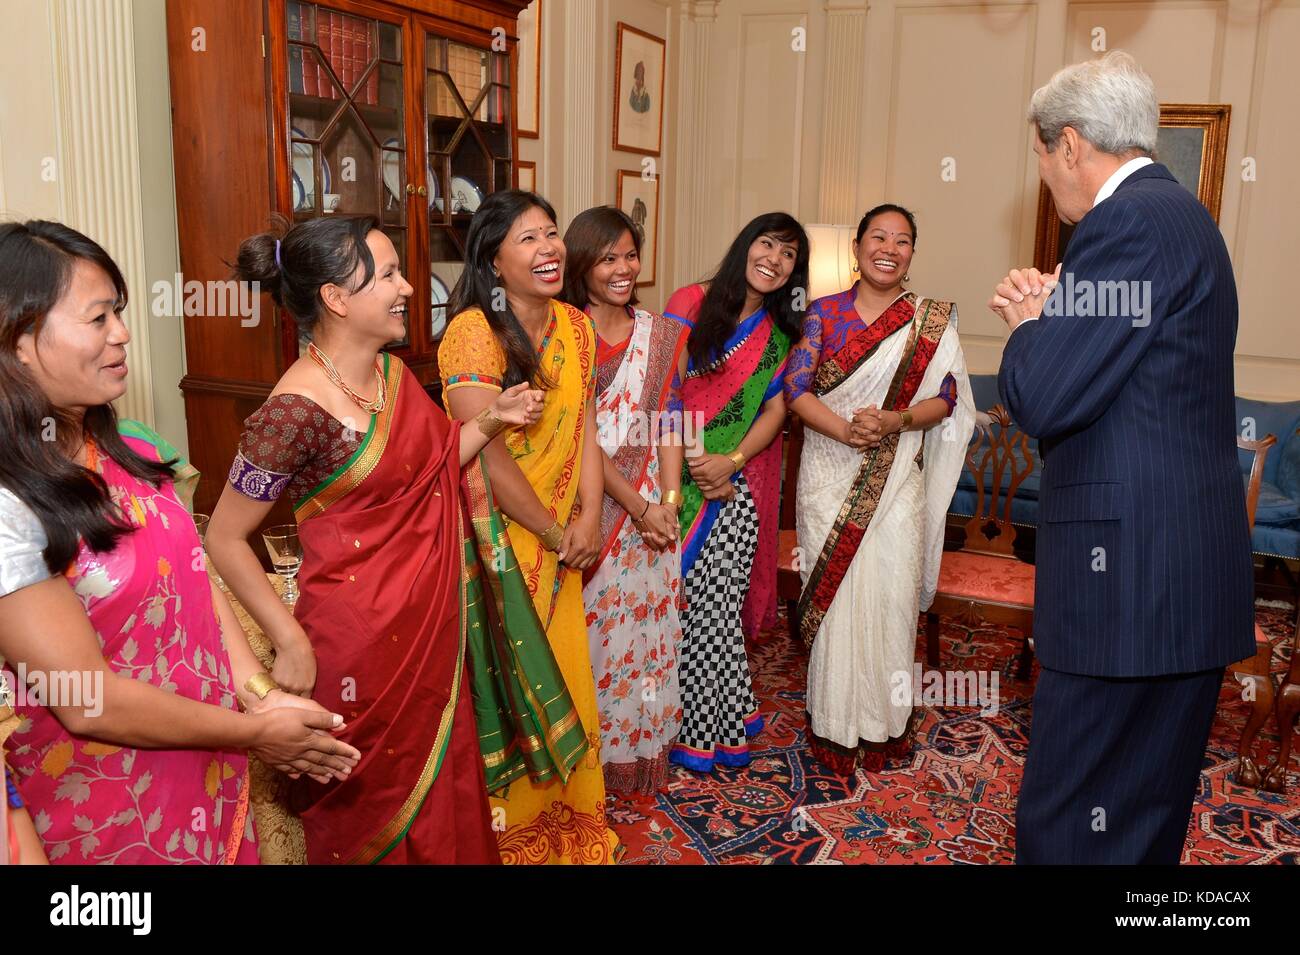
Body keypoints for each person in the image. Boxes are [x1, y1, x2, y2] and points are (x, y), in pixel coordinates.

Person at [0, 220, 358, 864]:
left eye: (120, 312)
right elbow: (89, 701)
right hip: (97, 810)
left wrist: (260, 694)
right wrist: (254, 732)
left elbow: (193, 580)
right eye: (97, 317)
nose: (122, 333)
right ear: (19, 339)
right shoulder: (9, 504)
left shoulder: (132, 451)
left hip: (204, 772)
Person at [988, 51, 1255, 864]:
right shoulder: (1186, 218)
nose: (1047, 181)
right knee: (1139, 820)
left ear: (1070, 144)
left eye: (1041, 158)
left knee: (1068, 823)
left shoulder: (1126, 223)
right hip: (1175, 586)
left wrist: (1032, 321)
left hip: (1127, 590)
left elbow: (1043, 398)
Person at [209, 215, 543, 864]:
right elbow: (222, 538)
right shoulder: (291, 411)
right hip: (355, 647)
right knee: (367, 813)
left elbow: (436, 467)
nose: (410, 288)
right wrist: (290, 638)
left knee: (443, 790)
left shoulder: (392, 377)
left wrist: (495, 420)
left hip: (427, 631)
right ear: (336, 298)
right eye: (389, 274)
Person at [439, 190, 622, 863]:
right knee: (510, 685)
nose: (549, 249)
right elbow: (482, 452)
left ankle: (566, 828)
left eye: (551, 234)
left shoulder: (576, 325)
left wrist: (592, 516)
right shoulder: (471, 331)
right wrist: (552, 531)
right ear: (493, 259)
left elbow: (587, 428)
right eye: (527, 239)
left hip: (564, 535)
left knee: (564, 677)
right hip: (498, 542)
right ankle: (508, 839)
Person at [786, 204, 975, 776]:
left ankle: (886, 724)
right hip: (827, 473)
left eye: (903, 240)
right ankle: (835, 723)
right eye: (878, 237)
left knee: (890, 597)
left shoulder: (930, 321)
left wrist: (895, 422)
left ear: (913, 252)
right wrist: (847, 430)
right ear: (857, 247)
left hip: (896, 478)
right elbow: (796, 390)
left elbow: (948, 398)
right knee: (837, 599)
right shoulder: (821, 314)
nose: (889, 248)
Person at [663, 212, 807, 772]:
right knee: (687, 611)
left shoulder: (778, 334)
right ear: (746, 244)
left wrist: (732, 459)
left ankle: (705, 731)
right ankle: (730, 714)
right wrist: (696, 457)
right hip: (673, 474)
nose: (773, 258)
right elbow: (665, 385)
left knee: (715, 613)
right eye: (766, 243)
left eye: (788, 253)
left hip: (731, 487)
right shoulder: (690, 301)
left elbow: (775, 411)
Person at [560, 206, 685, 796]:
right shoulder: (562, 334)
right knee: (592, 641)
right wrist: (639, 505)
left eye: (630, 255)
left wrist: (671, 498)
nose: (622, 268)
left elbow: (671, 421)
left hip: (653, 514)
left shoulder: (661, 335)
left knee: (644, 642)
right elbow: (578, 436)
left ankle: (638, 756)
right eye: (607, 257)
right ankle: (586, 768)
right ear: (581, 264)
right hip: (587, 509)